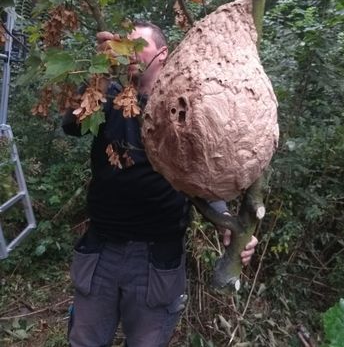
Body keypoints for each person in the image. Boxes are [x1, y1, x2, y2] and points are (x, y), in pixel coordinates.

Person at [63, 21, 258, 347]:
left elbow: (201, 174)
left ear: (163, 54)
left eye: (138, 48)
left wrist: (226, 223)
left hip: (156, 259)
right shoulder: (108, 97)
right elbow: (71, 124)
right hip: (100, 251)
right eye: (125, 48)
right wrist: (100, 76)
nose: (130, 55)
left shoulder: (183, 111)